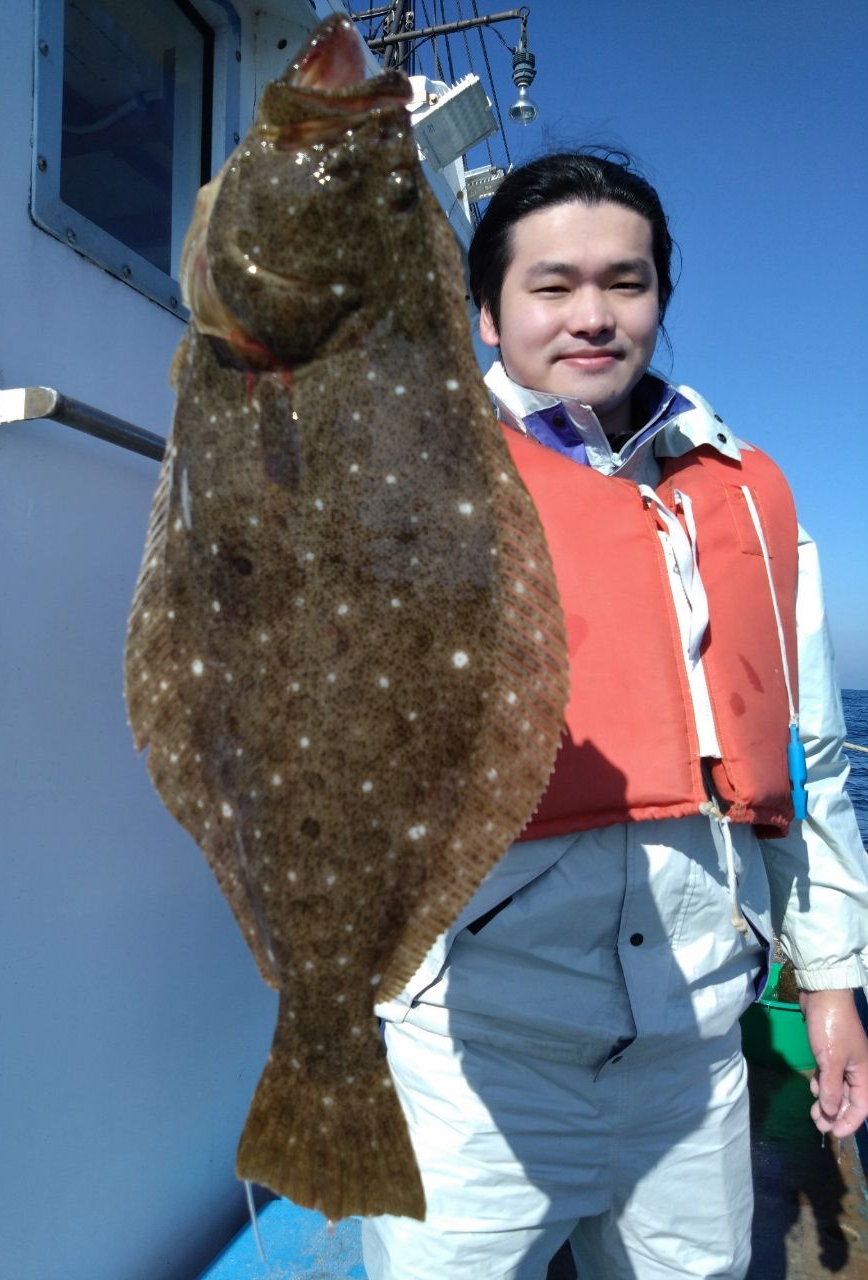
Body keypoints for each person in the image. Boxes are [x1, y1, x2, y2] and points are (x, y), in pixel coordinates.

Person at [361, 152, 868, 1279]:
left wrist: (830, 979)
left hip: (693, 1056)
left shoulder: (744, 495)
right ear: (488, 316)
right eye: (551, 284)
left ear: (662, 300)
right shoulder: (399, 482)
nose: (592, 315)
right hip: (475, 1055)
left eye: (625, 281)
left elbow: (809, 758)